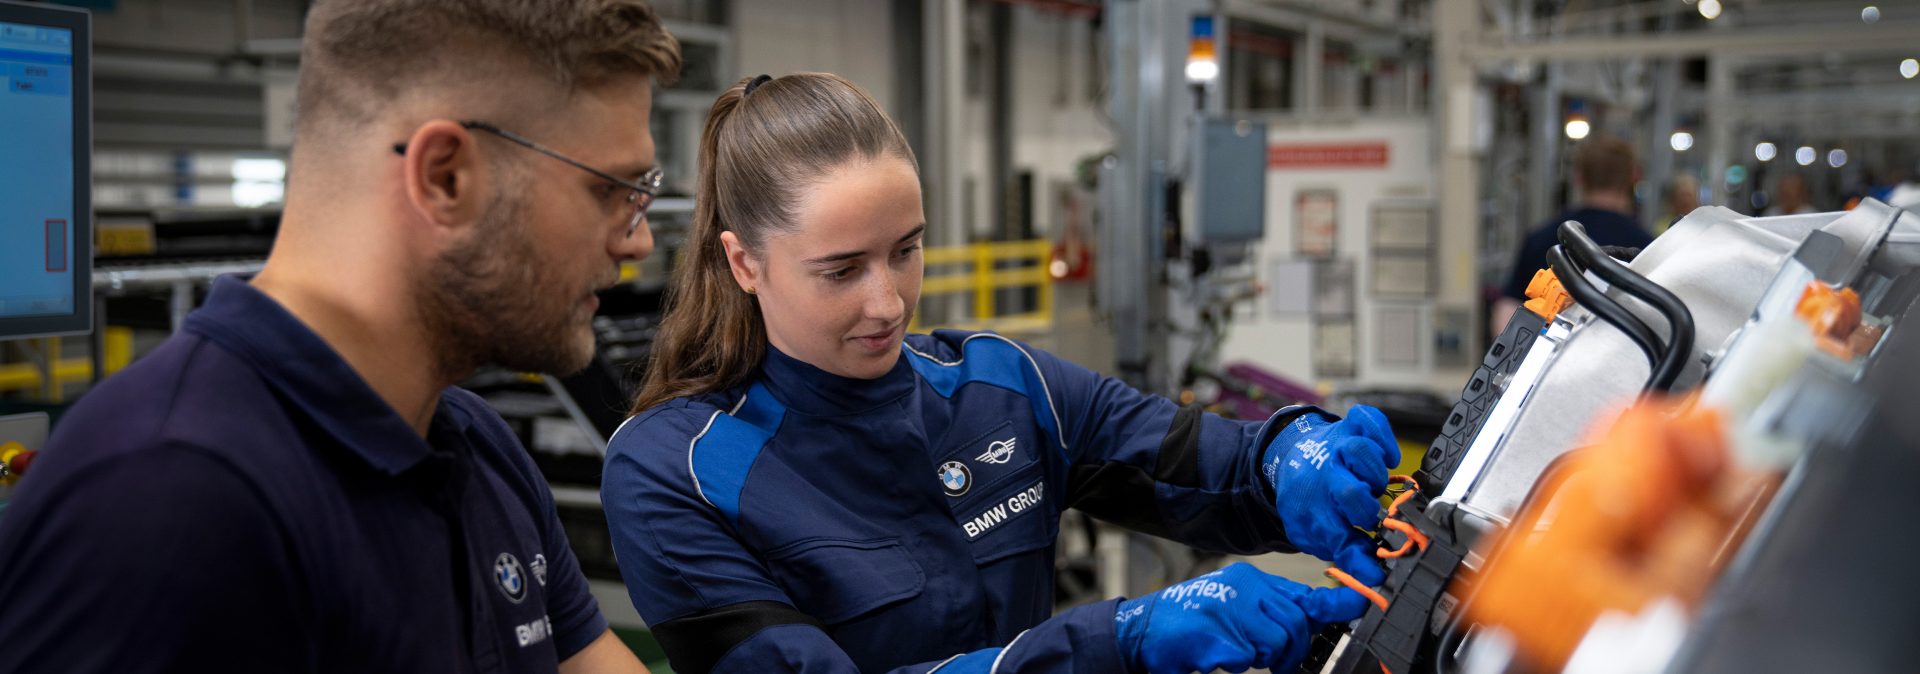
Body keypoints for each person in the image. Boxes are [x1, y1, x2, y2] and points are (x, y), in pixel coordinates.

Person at [601, 73, 1397, 674]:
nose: (888, 302)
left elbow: (1201, 463)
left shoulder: (1002, 386)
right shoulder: (677, 471)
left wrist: (1291, 461)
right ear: (744, 262)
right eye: (841, 271)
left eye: (905, 251)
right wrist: (1118, 643)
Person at [0, 1, 679, 672]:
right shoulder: (169, 499)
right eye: (611, 189)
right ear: (446, 175)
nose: (638, 239)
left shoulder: (473, 443)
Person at [1492, 135, 1655, 337]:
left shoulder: (1543, 237)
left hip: (1548, 362)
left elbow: (1508, 308)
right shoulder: (1648, 247)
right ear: (1634, 177)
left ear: (1579, 178)